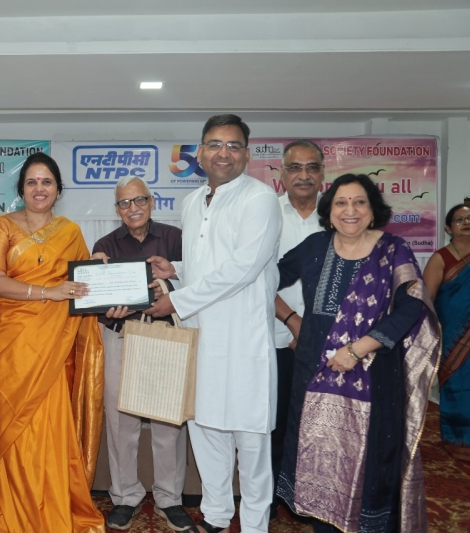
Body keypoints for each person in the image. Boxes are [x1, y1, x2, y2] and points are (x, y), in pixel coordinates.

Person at [275, 174, 439, 532]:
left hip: (374, 375)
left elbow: (410, 308)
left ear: (373, 209)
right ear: (329, 211)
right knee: (317, 455)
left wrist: (357, 348)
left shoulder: (394, 249)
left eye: (359, 201)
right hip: (314, 374)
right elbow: (262, 278)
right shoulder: (314, 246)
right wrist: (289, 318)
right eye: (341, 202)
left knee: (370, 459)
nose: (350, 210)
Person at [145, 114, 282, 533]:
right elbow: (208, 265)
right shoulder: (191, 202)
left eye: (233, 145)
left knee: (251, 443)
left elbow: (243, 268)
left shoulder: (260, 199)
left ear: (247, 154)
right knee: (205, 430)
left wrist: (176, 299)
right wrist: (178, 270)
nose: (224, 153)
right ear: (201, 153)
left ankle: (254, 525)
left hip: (243, 340)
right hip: (201, 337)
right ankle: (217, 515)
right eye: (215, 144)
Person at [0, 152, 105, 532]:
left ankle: (53, 508)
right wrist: (48, 293)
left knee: (50, 425)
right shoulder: (3, 226)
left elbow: (82, 287)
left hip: (54, 346)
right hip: (13, 345)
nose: (39, 188)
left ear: (58, 190)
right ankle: (15, 511)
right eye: (32, 182)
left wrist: (99, 272)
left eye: (46, 182)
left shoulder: (70, 232)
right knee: (14, 424)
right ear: (21, 190)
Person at [91, 176, 192, 531]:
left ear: (152, 202)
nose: (132, 208)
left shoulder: (175, 238)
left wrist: (169, 285)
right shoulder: (105, 245)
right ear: (116, 209)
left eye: (139, 200)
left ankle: (169, 497)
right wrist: (106, 304)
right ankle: (125, 496)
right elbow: (95, 298)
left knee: (168, 421)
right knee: (121, 421)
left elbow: (197, 283)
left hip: (165, 336)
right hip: (121, 334)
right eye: (124, 203)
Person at [269, 140, 325, 518]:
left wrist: (314, 329)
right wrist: (293, 321)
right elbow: (256, 279)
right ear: (283, 174)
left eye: (311, 167)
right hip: (274, 337)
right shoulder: (266, 214)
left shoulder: (340, 216)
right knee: (276, 423)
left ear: (322, 174)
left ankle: (313, 500)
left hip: (328, 344)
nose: (303, 175)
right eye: (295, 167)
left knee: (320, 425)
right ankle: (273, 497)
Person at [424, 203, 470, 463]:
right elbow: (426, 301)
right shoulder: (440, 258)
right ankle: (460, 442)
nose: (466, 223)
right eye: (459, 220)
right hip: (452, 338)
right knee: (460, 389)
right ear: (448, 228)